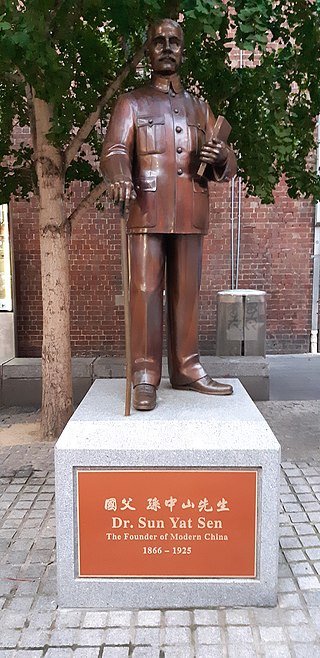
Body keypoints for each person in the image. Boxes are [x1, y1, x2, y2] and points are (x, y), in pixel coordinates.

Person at [100, 18, 237, 411]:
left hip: (190, 209)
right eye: (158, 40)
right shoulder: (132, 102)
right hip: (146, 207)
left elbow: (228, 163)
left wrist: (221, 156)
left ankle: (187, 366)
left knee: (187, 292)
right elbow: (113, 151)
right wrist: (120, 176)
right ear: (147, 49)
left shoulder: (199, 107)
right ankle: (144, 374)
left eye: (173, 41)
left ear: (182, 50)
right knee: (144, 292)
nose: (166, 46)